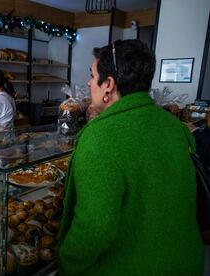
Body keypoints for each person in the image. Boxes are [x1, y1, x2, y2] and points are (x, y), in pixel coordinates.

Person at [58, 39, 204, 275]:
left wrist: (67, 263)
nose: (88, 82)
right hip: (184, 260)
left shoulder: (99, 137)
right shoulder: (175, 126)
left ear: (108, 85)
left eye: (92, 75)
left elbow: (94, 227)